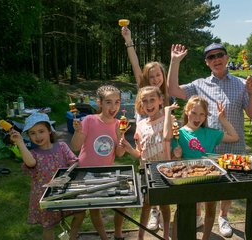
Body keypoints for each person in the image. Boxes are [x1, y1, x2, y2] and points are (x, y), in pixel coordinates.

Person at [167, 43, 252, 237]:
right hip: (205, 148)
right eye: (211, 57)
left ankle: (223, 216)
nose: (216, 59)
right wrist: (175, 62)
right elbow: (172, 89)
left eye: (219, 55)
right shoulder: (199, 84)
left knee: (227, 189)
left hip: (233, 147)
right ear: (207, 63)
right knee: (202, 187)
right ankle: (199, 216)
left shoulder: (242, 84)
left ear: (227, 57)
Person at [165, 95, 239, 240]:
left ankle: (205, 237)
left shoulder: (210, 133)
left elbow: (234, 137)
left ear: (205, 116)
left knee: (211, 209)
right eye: (193, 113)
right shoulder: (178, 134)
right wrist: (176, 155)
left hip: (210, 178)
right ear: (187, 112)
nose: (197, 117)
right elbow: (174, 161)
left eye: (201, 114)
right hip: (187, 181)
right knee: (183, 211)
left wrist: (222, 119)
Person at [121, 25, 171, 228]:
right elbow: (134, 64)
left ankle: (163, 213)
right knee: (147, 181)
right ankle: (153, 213)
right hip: (145, 142)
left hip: (162, 145)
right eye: (151, 76)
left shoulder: (168, 96)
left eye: (158, 75)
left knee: (163, 180)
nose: (155, 79)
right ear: (146, 78)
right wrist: (128, 41)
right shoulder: (144, 90)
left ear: (163, 75)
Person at [9, 112, 85, 240]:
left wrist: (69, 171)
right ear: (28, 136)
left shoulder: (61, 146)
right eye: (32, 133)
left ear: (49, 131)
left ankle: (72, 236)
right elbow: (30, 163)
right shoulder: (32, 154)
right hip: (45, 196)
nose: (37, 136)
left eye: (41, 131)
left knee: (80, 213)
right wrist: (20, 143)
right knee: (49, 226)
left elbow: (74, 162)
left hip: (65, 192)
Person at [71, 84, 127, 240]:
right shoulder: (89, 120)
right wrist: (77, 132)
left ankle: (118, 233)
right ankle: (104, 237)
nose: (113, 106)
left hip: (107, 171)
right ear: (99, 103)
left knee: (122, 204)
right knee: (95, 209)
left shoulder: (118, 124)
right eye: (108, 102)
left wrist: (122, 141)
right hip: (86, 172)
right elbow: (75, 146)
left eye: (117, 102)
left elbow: (120, 154)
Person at [119, 86, 173, 240]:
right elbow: (139, 154)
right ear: (140, 104)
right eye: (144, 101)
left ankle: (167, 234)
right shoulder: (141, 125)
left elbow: (170, 138)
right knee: (146, 205)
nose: (149, 104)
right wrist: (129, 148)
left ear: (161, 100)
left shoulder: (167, 119)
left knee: (164, 205)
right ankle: (140, 236)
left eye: (152, 100)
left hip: (164, 171)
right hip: (146, 171)